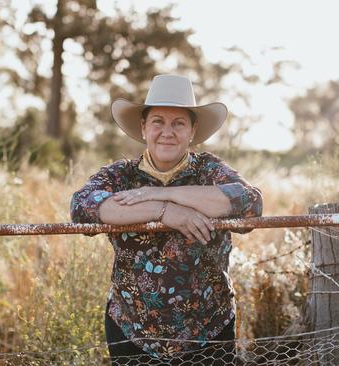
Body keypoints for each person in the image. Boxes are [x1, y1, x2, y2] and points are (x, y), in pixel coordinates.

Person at [70, 74, 263, 364]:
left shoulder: (209, 170)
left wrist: (163, 192)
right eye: (158, 121)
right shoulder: (121, 175)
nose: (167, 132)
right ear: (144, 127)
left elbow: (250, 203)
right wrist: (163, 210)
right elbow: (82, 206)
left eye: (179, 123)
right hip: (132, 331)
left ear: (193, 130)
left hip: (208, 330)